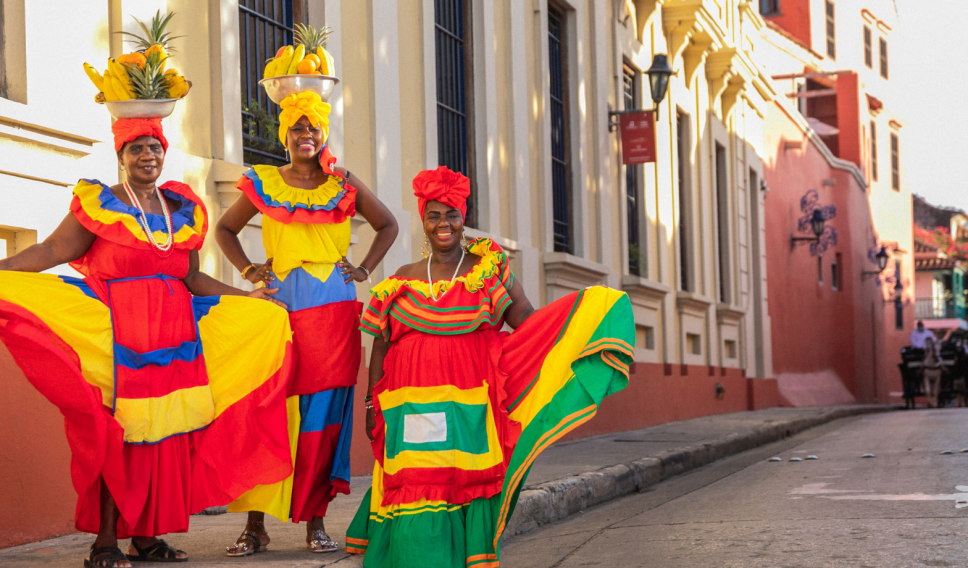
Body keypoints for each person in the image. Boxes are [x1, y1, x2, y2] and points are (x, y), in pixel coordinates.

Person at [0, 117, 295, 568]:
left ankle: (146, 537)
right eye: (136, 149)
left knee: (161, 437)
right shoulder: (102, 204)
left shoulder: (181, 208)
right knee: (120, 435)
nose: (147, 157)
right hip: (121, 337)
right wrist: (4, 271)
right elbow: (52, 251)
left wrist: (248, 298)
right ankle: (104, 541)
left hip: (174, 337)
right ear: (121, 156)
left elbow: (192, 276)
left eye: (154, 148)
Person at [345, 166, 634, 567]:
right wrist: (370, 405)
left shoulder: (489, 273)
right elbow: (381, 345)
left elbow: (529, 323)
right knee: (417, 479)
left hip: (471, 404)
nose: (443, 224)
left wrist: (580, 322)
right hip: (409, 403)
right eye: (434, 216)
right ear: (423, 222)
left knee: (463, 479)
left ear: (464, 220)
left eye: (451, 215)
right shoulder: (401, 279)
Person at [216, 91, 398, 555]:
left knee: (323, 413)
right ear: (285, 134)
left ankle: (315, 521)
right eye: (297, 127)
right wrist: (250, 270)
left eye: (313, 127)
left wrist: (362, 270)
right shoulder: (264, 182)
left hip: (334, 309)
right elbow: (224, 230)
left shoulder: (343, 183)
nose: (305, 135)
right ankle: (254, 525)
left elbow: (389, 224)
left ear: (323, 134)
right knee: (268, 406)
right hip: (279, 306)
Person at [922, 336, 943, 408]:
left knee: (942, 364)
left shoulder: (932, 339)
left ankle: (935, 401)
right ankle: (928, 400)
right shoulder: (915, 335)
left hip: (935, 356)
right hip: (924, 353)